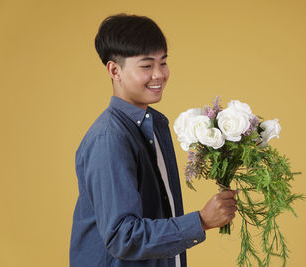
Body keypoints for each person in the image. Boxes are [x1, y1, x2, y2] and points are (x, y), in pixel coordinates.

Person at [70, 14, 237, 267]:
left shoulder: (154, 124)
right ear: (114, 70)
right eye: (146, 66)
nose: (159, 74)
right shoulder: (110, 139)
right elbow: (122, 237)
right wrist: (201, 221)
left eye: (163, 63)